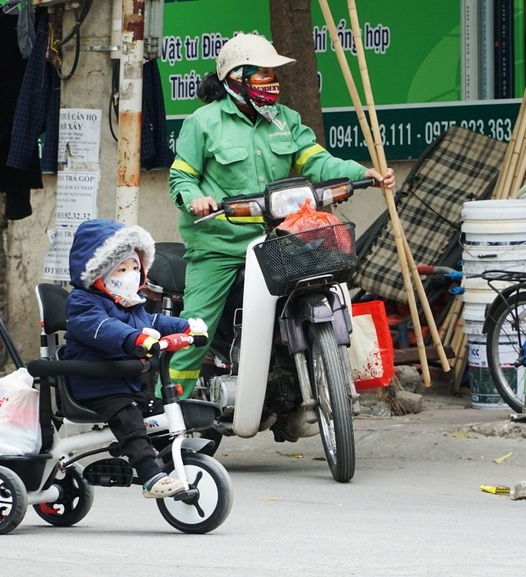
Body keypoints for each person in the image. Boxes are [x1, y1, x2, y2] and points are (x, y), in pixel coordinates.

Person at [167, 33, 396, 397]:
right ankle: (168, 409)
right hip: (220, 247)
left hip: (276, 241)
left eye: (273, 74)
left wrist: (361, 172)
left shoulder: (284, 119)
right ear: (236, 77)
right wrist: (196, 199)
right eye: (263, 74)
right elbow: (181, 177)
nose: (272, 81)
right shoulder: (204, 122)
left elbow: (317, 161)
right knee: (196, 331)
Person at [63, 219, 207, 498]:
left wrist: (186, 327)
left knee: (157, 410)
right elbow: (103, 328)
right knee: (130, 421)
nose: (130, 275)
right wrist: (135, 339)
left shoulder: (129, 302)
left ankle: (171, 458)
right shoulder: (83, 302)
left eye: (135, 268)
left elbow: (153, 321)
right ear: (100, 273)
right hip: (97, 385)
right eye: (122, 269)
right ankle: (150, 475)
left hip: (127, 382)